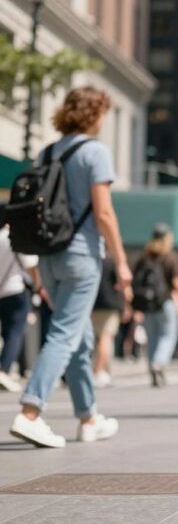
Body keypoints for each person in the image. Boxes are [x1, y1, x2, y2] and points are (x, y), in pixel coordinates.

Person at [9, 86, 128, 448]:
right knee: (64, 333)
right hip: (81, 255)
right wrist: (121, 260)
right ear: (94, 114)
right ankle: (31, 411)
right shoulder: (95, 152)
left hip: (48, 256)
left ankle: (88, 417)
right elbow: (104, 212)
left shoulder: (47, 151)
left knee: (79, 337)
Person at [133, 224, 178, 388]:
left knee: (152, 338)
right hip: (164, 302)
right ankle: (159, 363)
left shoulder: (144, 257)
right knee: (168, 335)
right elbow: (177, 283)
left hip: (147, 305)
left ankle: (152, 368)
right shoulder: (170, 257)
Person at [0, 225, 44, 392]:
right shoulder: (18, 235)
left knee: (7, 332)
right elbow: (30, 264)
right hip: (16, 290)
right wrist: (39, 286)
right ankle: (4, 369)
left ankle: (5, 368)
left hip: (2, 291)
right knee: (15, 332)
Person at [91, 257, 125, 388]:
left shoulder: (93, 261)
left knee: (97, 339)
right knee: (106, 338)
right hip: (110, 305)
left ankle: (102, 370)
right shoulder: (113, 262)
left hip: (93, 304)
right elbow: (122, 285)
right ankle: (99, 371)